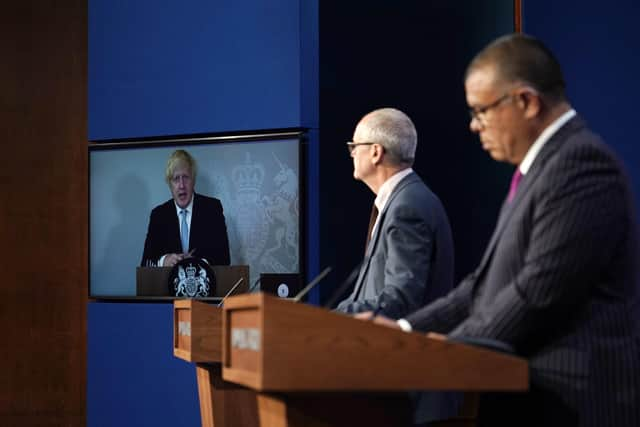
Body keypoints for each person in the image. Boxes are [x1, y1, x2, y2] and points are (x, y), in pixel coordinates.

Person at [365, 34, 640, 427]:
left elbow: (537, 292)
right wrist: (406, 330)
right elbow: (482, 287)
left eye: (481, 110)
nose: (474, 125)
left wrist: (447, 352)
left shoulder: (581, 164)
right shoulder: (539, 170)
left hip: (574, 403)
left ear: (526, 102)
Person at [335, 108, 459, 425]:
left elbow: (401, 299)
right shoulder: (402, 200)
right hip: (390, 381)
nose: (351, 153)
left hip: (405, 387)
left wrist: (333, 318)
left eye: (354, 146)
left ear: (375, 152)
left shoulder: (408, 206)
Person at [141, 149, 230, 267]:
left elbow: (224, 258)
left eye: (186, 177)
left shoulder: (212, 209)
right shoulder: (159, 216)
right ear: (169, 184)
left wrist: (198, 263)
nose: (181, 185)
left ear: (193, 180)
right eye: (176, 179)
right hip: (168, 284)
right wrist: (164, 261)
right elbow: (145, 263)